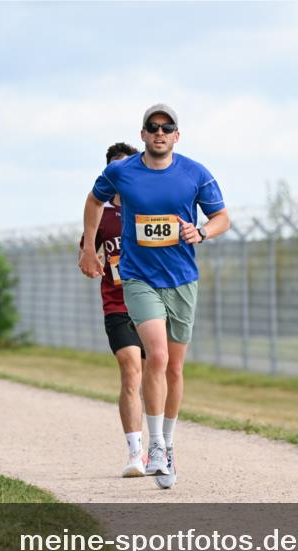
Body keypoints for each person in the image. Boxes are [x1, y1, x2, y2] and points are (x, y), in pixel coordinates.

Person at [79, 103, 231, 489]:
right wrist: (87, 247)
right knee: (157, 356)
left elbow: (222, 218)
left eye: (167, 127)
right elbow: (95, 200)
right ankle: (155, 446)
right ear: (143, 134)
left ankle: (169, 445)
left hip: (181, 279)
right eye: (153, 127)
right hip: (137, 277)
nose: (160, 133)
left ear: (177, 136)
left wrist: (202, 232)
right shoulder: (122, 172)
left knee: (175, 368)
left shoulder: (195, 173)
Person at [78, 141, 149, 477]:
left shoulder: (150, 208)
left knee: (155, 376)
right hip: (118, 304)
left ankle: (160, 448)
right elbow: (87, 258)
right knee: (130, 368)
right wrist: (92, 259)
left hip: (152, 304)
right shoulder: (101, 217)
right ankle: (135, 453)